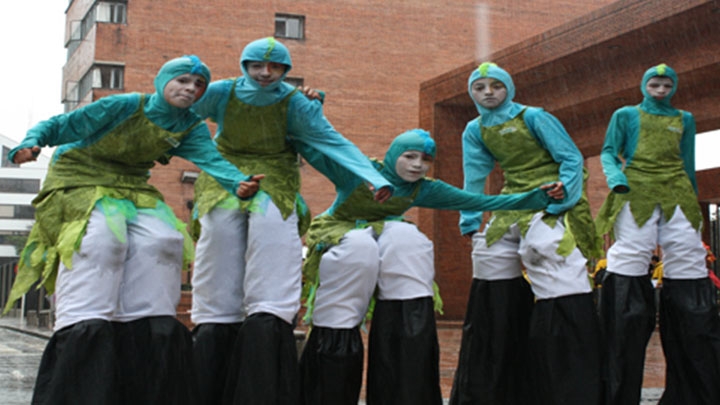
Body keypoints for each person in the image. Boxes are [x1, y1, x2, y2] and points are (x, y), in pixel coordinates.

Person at [1, 55, 261, 404]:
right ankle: (84, 323)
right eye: (182, 80)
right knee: (102, 240)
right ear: (163, 80)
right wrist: (29, 145)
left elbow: (211, 160)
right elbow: (62, 125)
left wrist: (238, 183)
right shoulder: (124, 105)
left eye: (198, 85)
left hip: (132, 183)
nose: (190, 89)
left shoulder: (189, 126)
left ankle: (146, 326)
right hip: (80, 175)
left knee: (166, 240)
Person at [189, 36, 393, 404]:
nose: (265, 73)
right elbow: (175, 113)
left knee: (271, 228)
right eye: (256, 65)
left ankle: (269, 318)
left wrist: (374, 177)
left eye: (275, 67)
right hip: (225, 173)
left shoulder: (294, 102)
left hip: (274, 175)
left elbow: (330, 139)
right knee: (219, 232)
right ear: (243, 66)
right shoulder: (220, 93)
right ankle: (213, 324)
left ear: (286, 71)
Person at [297, 129, 556, 405]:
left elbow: (480, 201)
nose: (417, 165)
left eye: (425, 160)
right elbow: (319, 151)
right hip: (341, 232)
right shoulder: (361, 171)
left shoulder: (423, 188)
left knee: (409, 241)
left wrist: (535, 198)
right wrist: (308, 111)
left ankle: (404, 385)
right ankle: (325, 385)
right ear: (394, 154)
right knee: (359, 248)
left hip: (386, 232)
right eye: (409, 156)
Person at [450, 62, 603, 405]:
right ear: (472, 93)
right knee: (487, 257)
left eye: (495, 85)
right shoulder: (474, 129)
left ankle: (569, 387)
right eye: (479, 87)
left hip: (551, 195)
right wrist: (470, 219)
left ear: (509, 88)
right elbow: (474, 173)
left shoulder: (534, 117)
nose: (488, 92)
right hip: (512, 200)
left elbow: (570, 157)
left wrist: (565, 195)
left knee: (546, 251)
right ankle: (496, 387)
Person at [595, 63, 720, 405]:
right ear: (644, 84)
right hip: (636, 188)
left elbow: (688, 160)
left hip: (677, 190)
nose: (661, 89)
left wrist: (692, 202)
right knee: (629, 259)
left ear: (673, 86)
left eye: (667, 84)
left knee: (690, 261)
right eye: (655, 83)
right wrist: (614, 178)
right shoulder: (625, 114)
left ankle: (695, 391)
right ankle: (617, 391)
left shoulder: (685, 119)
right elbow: (609, 151)